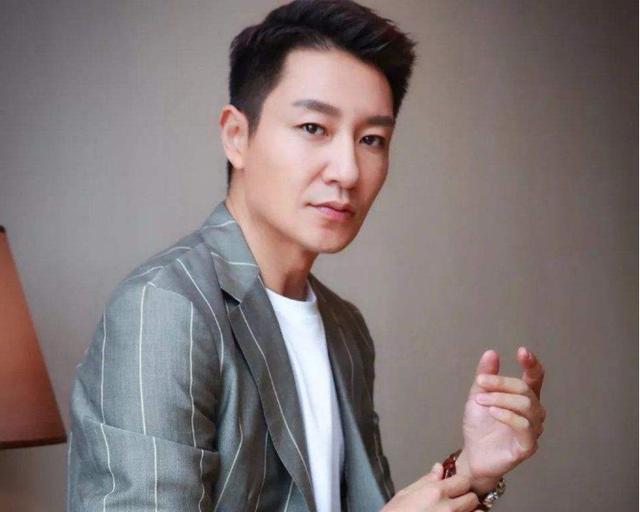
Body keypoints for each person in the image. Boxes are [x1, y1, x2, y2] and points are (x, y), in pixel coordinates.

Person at [67, 1, 546, 511]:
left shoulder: (345, 328)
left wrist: (472, 472)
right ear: (236, 136)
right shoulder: (164, 309)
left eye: (372, 139)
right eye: (314, 128)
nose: (347, 170)